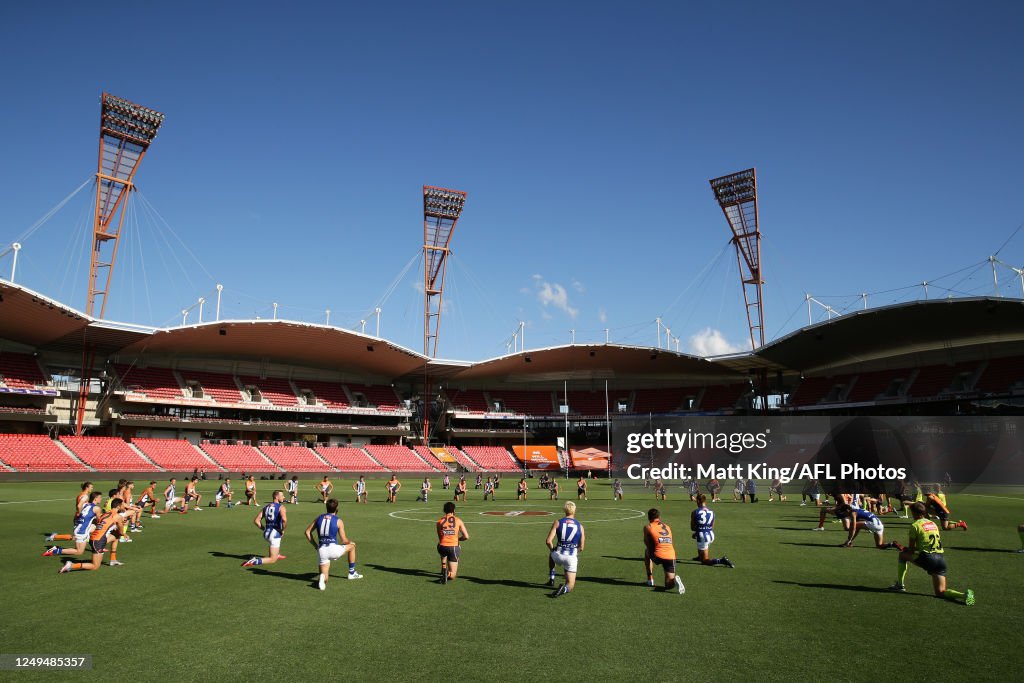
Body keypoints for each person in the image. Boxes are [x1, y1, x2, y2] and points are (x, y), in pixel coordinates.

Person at [888, 503, 974, 605]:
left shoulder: (915, 526)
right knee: (940, 592)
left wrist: (903, 548)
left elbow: (911, 551)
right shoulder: (932, 524)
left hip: (928, 558)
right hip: (941, 559)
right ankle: (964, 595)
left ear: (914, 513)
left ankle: (900, 585)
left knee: (902, 555)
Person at [304, 498, 361, 590]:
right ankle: (352, 573)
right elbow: (344, 540)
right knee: (352, 547)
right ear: (337, 509)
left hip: (322, 550)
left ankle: (322, 578)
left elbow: (307, 532)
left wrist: (315, 546)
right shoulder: (338, 520)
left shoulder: (319, 518)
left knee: (325, 578)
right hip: (334, 549)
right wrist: (351, 542)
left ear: (326, 507)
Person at [59, 497, 126, 572]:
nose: (124, 506)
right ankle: (71, 565)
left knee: (116, 536)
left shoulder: (105, 513)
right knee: (95, 566)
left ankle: (113, 560)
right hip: (98, 541)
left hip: (94, 538)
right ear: (118, 506)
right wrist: (124, 533)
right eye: (123, 505)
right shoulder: (118, 517)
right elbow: (121, 532)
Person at [45, 491, 102, 559]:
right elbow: (100, 521)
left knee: (93, 528)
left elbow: (79, 510)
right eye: (100, 497)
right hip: (82, 531)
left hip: (79, 527)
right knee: (79, 552)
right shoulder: (97, 508)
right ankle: (55, 551)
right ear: (95, 498)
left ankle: (97, 546)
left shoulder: (85, 505)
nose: (101, 499)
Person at [547, 501, 585, 597]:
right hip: (571, 558)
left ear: (564, 510)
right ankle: (563, 589)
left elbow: (548, 541)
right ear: (575, 510)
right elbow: (581, 547)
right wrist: (575, 550)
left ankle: (552, 578)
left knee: (551, 554)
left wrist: (552, 550)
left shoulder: (557, 522)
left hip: (558, 555)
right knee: (570, 585)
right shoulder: (580, 526)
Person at [643, 508, 685, 594]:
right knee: (668, 585)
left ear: (649, 518)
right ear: (659, 517)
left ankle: (650, 579)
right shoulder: (667, 526)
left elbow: (647, 543)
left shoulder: (648, 527)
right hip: (671, 556)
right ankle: (674, 580)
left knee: (646, 552)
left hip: (658, 554)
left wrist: (653, 549)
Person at [243, 490, 288, 567]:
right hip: (274, 535)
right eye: (282, 495)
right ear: (277, 497)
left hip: (266, 533)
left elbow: (256, 521)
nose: (284, 497)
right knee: (273, 559)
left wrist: (264, 529)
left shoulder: (266, 507)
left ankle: (277, 553)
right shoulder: (281, 507)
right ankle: (254, 561)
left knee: (274, 545)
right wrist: (282, 530)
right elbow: (284, 520)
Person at [690, 494, 734, 568]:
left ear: (697, 501)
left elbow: (692, 528)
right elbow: (712, 526)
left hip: (702, 537)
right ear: (705, 501)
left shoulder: (695, 512)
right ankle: (700, 555)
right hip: (711, 535)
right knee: (702, 543)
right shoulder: (712, 512)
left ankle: (722, 560)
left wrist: (698, 531)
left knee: (704, 561)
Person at [436, 501, 469, 583]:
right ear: (454, 510)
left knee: (443, 551)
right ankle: (446, 574)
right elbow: (466, 537)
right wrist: (458, 539)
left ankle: (443, 567)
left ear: (444, 510)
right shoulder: (458, 520)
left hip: (441, 547)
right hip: (453, 548)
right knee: (453, 575)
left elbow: (440, 537)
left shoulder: (439, 521)